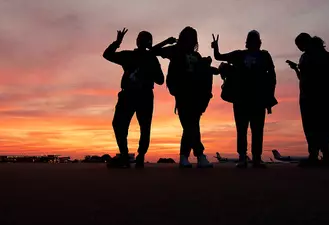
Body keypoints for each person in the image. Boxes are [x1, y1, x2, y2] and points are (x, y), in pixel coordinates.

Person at [102, 28, 171, 168]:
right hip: (129, 94)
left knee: (143, 126)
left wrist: (147, 69)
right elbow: (107, 55)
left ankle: (139, 156)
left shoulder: (150, 58)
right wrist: (117, 42)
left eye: (142, 38)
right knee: (120, 124)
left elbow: (160, 79)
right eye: (140, 37)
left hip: (143, 95)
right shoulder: (130, 55)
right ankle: (126, 155)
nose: (139, 40)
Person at [153, 27, 218, 168]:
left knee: (191, 126)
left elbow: (203, 71)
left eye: (192, 38)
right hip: (182, 94)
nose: (191, 41)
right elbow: (154, 51)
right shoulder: (175, 50)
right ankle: (199, 155)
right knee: (191, 125)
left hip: (197, 96)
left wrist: (214, 69)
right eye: (188, 37)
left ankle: (185, 157)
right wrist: (166, 41)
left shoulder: (197, 56)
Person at [212, 30, 276, 168]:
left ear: (259, 42)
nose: (254, 43)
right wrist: (215, 47)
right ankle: (243, 157)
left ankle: (255, 158)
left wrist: (269, 96)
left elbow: (272, 76)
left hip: (258, 98)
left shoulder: (264, 55)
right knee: (243, 129)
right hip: (241, 98)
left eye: (255, 40)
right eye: (252, 40)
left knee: (256, 129)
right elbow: (218, 56)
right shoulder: (239, 54)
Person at [288, 34, 329, 167]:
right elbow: (303, 78)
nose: (299, 48)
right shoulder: (307, 57)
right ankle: (321, 156)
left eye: (299, 45)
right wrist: (296, 69)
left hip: (322, 97)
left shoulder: (325, 57)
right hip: (309, 98)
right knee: (314, 128)